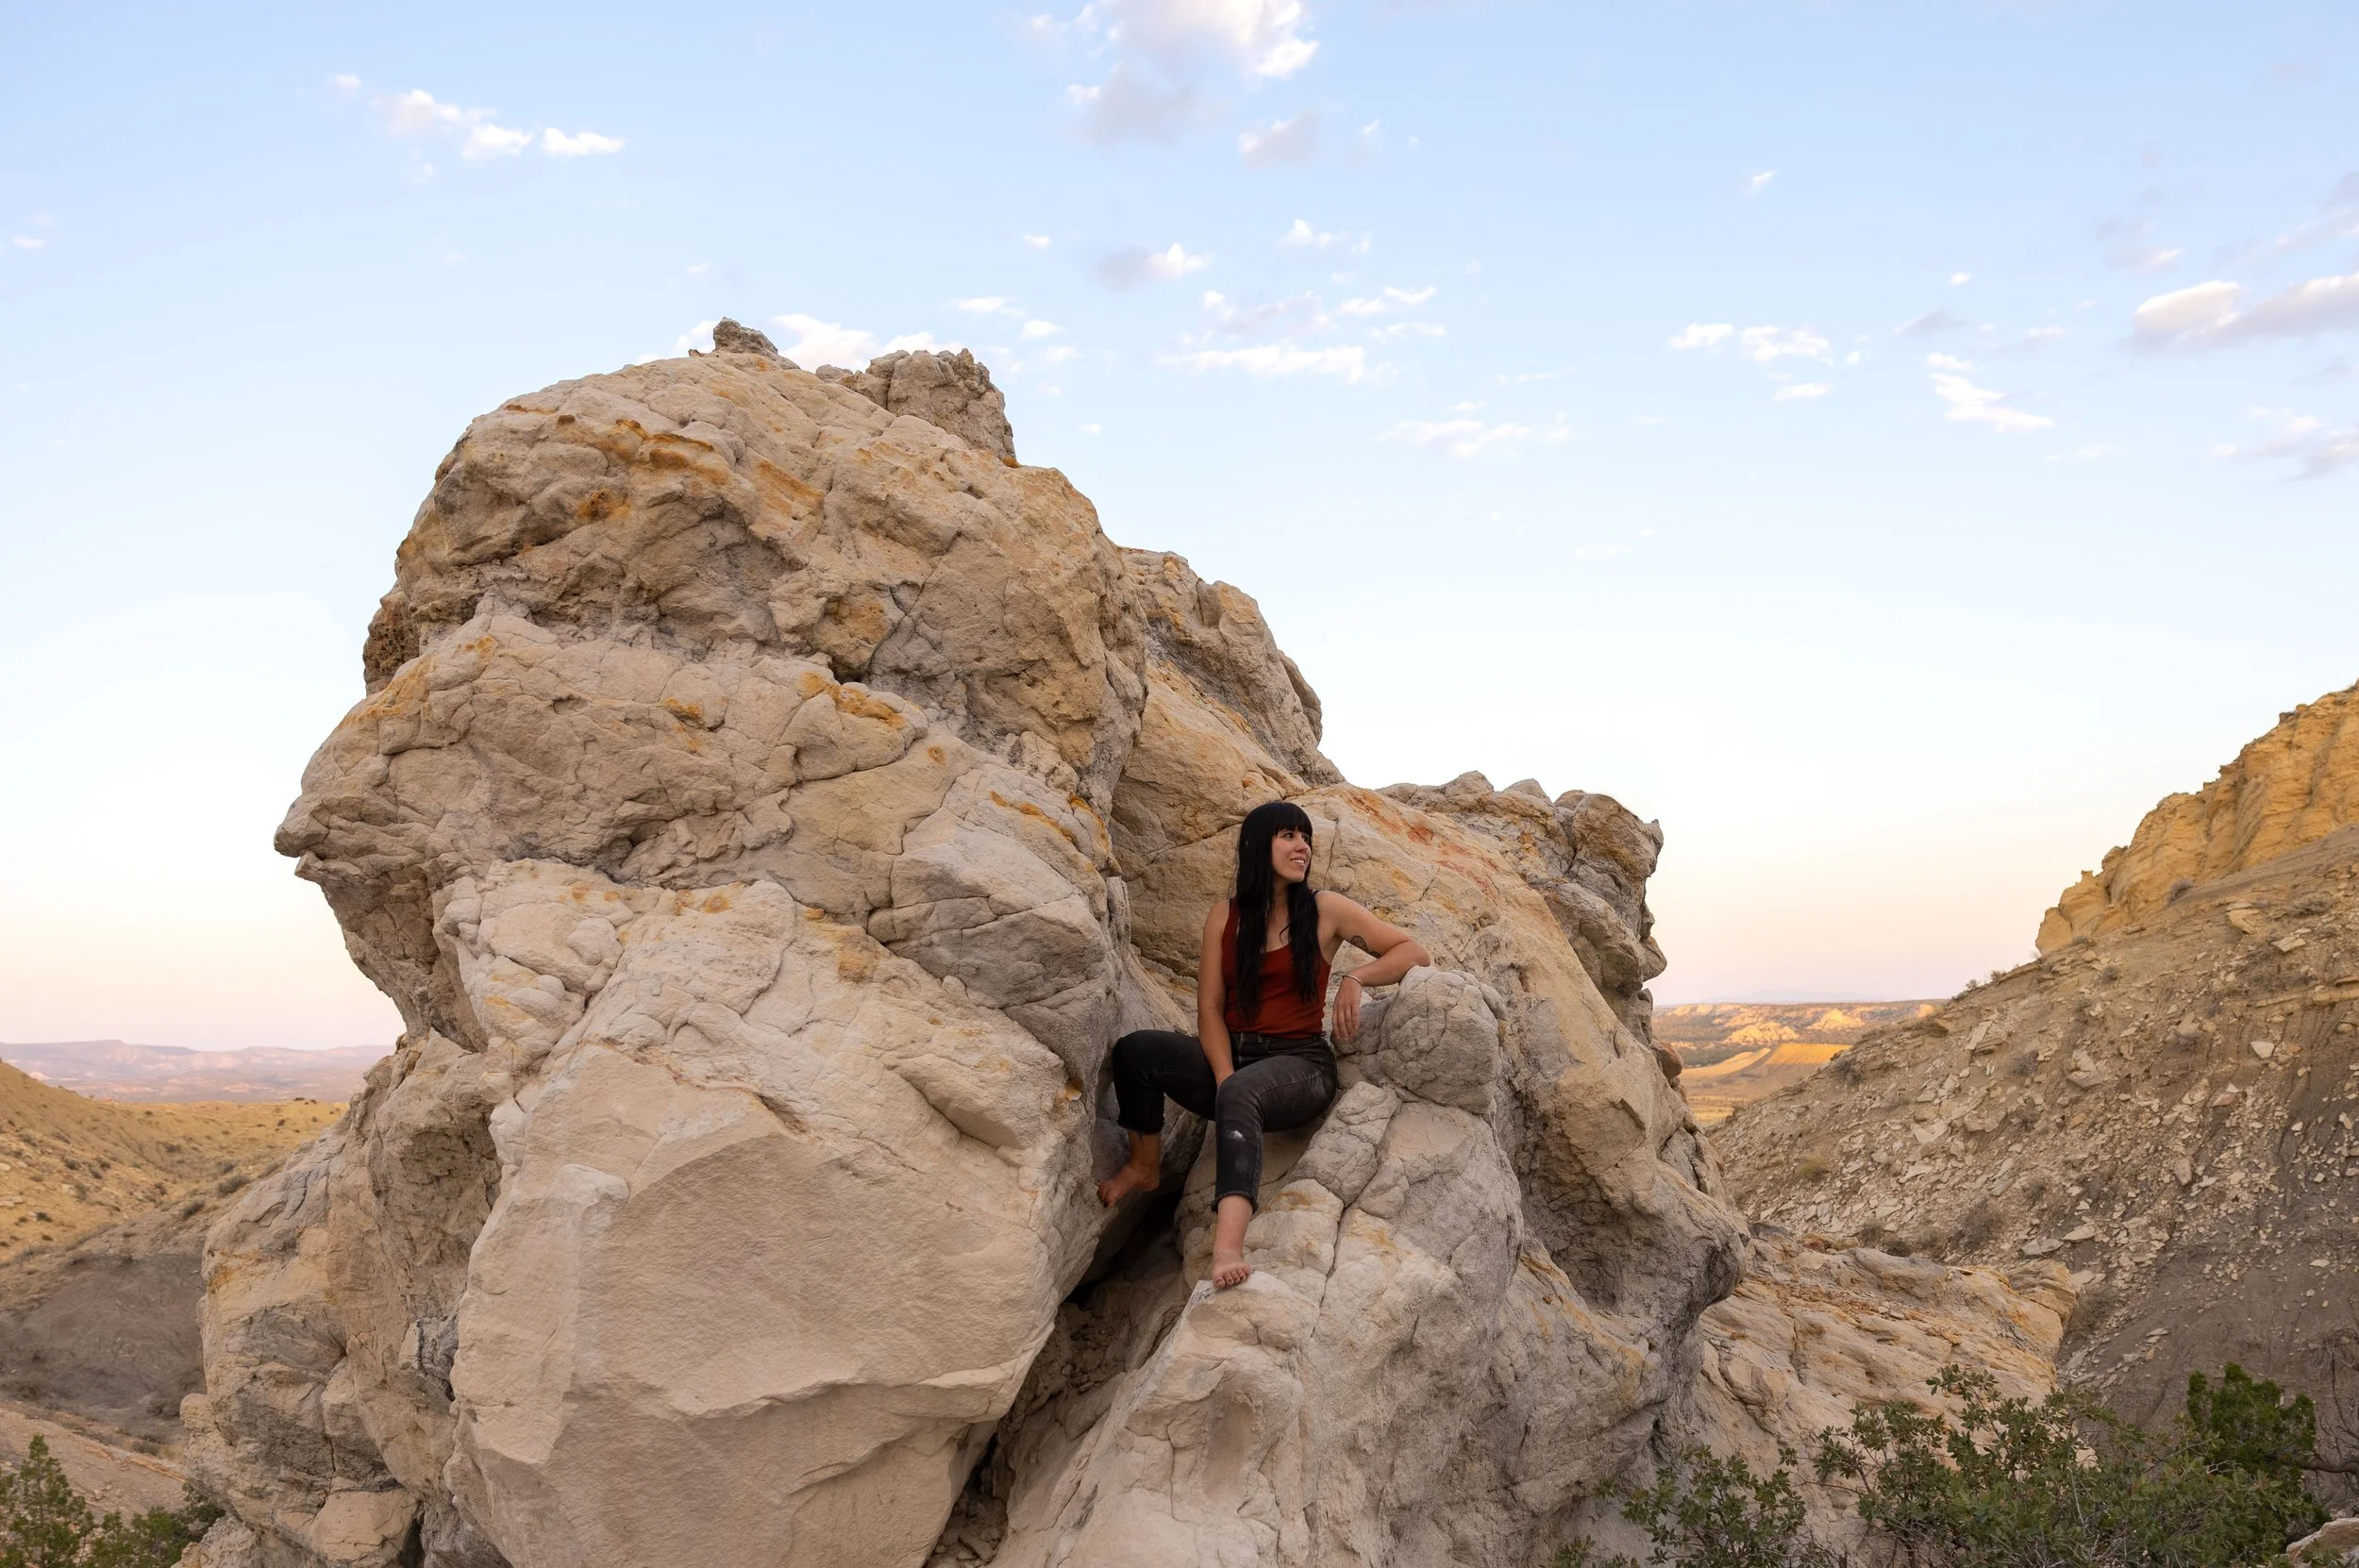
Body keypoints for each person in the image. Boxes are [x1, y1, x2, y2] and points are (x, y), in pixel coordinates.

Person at [1098, 800, 1431, 1289]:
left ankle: (1227, 1249)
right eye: (1288, 836)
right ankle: (1144, 1166)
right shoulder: (1224, 917)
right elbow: (1209, 1009)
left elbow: (1414, 951)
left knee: (1241, 1092)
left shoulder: (1325, 909)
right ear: (1258, 846)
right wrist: (1223, 1077)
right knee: (1137, 1051)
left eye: (1306, 838)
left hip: (1301, 1065)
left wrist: (1356, 978)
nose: (1303, 847)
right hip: (1235, 1056)